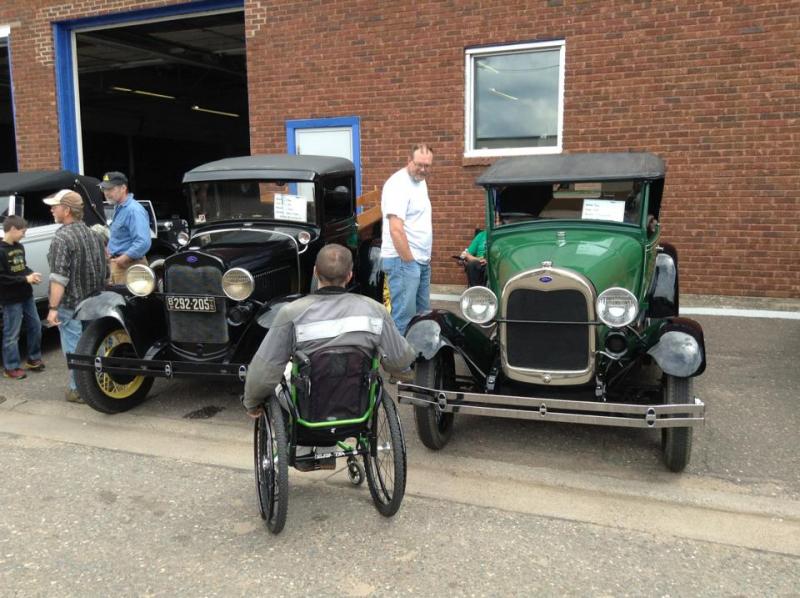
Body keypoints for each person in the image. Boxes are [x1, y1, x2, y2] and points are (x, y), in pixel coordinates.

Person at [243, 243, 416, 432]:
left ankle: (306, 450)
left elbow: (265, 368)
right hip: (358, 403)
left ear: (315, 272)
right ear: (350, 275)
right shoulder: (375, 311)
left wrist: (252, 402)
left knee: (283, 376)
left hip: (309, 404)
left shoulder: (291, 313)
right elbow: (401, 360)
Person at [44, 190, 108, 403]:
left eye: (55, 206)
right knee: (92, 344)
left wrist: (53, 308)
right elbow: (104, 271)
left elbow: (59, 278)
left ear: (67, 210)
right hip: (93, 302)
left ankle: (77, 389)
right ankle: (95, 386)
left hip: (70, 304)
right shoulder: (94, 235)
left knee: (74, 347)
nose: (52, 209)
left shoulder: (62, 238)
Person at [380, 143, 434, 335]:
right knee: (404, 315)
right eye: (419, 164)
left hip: (421, 260)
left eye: (427, 166)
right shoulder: (398, 185)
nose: (423, 169)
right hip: (403, 261)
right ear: (408, 160)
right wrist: (409, 261)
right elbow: (396, 229)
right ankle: (398, 363)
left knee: (422, 314)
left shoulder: (420, 181)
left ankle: (419, 355)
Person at [0, 215, 44, 379]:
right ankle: (10, 367)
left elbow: (22, 267)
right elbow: (2, 278)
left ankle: (33, 358)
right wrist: (25, 279)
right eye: (22, 232)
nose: (24, 235)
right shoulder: (1, 251)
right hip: (11, 299)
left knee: (36, 326)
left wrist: (30, 274)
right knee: (12, 333)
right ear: (12, 229)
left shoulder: (19, 247)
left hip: (26, 295)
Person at [99, 171, 151, 284]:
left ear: (123, 188)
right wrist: (109, 250)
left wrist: (124, 258)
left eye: (110, 189)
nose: (106, 193)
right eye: (104, 189)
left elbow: (143, 242)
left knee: (130, 301)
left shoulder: (133, 210)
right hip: (121, 266)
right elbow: (121, 236)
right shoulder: (119, 207)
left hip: (131, 267)